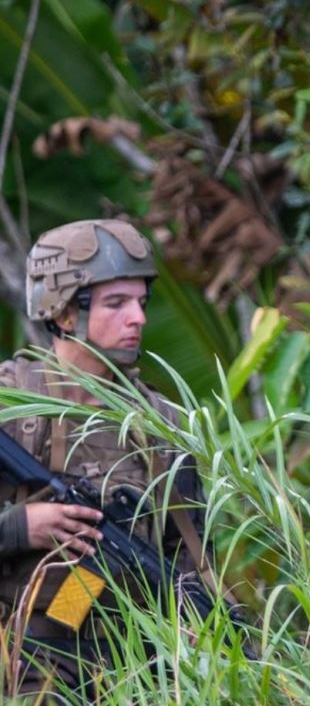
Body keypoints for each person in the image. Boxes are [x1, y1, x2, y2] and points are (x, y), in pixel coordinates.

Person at [0, 219, 207, 701]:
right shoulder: (13, 406)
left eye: (141, 302)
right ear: (65, 313)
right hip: (26, 669)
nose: (138, 318)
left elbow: (191, 553)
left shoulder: (162, 423)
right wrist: (21, 527)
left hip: (138, 668)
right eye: (116, 304)